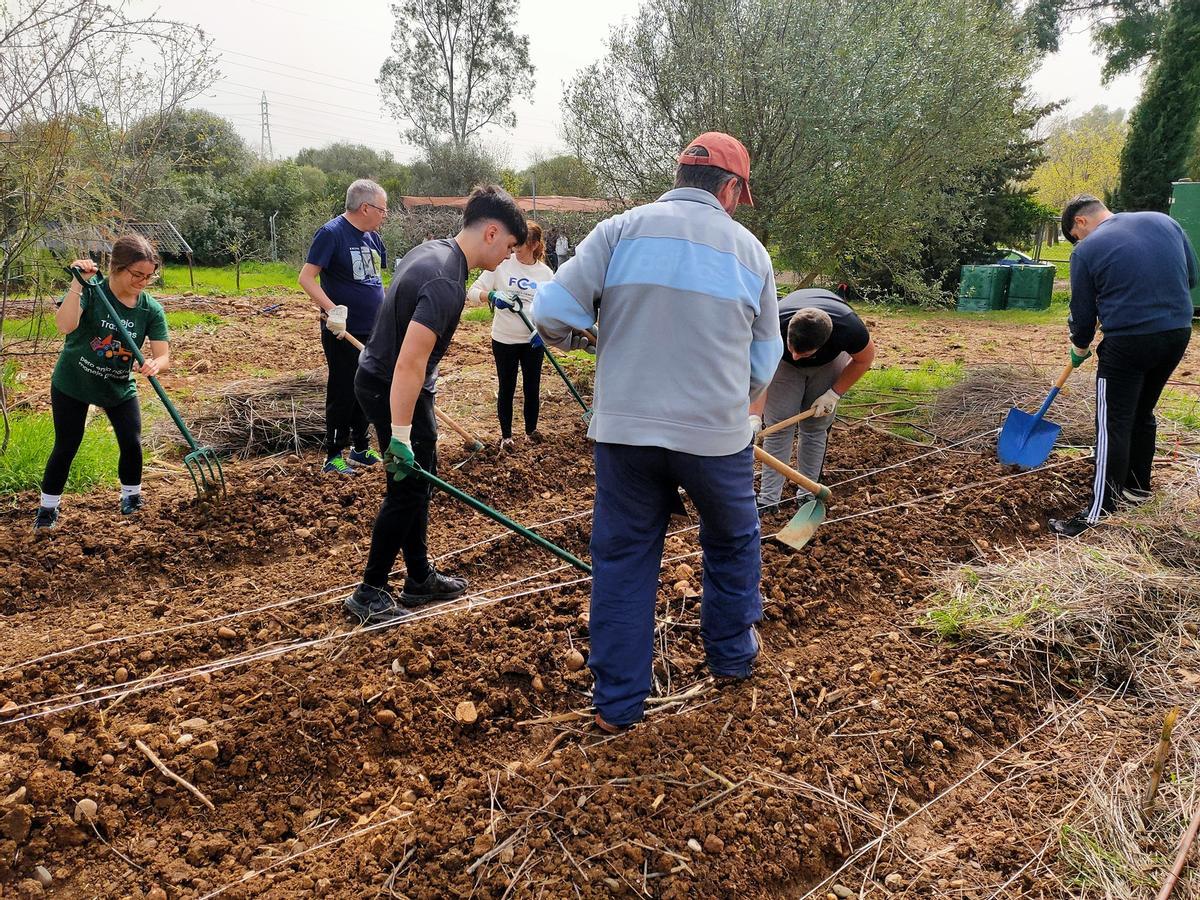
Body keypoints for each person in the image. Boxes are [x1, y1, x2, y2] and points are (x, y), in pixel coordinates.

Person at [533, 131, 782, 732]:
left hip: (625, 434)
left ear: (678, 176)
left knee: (623, 560)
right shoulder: (751, 255)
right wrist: (732, 400)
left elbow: (550, 313)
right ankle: (730, 658)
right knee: (732, 540)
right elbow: (762, 363)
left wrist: (582, 340)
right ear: (731, 189)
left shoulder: (619, 231)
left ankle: (618, 704)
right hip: (715, 438)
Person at [344, 185, 528, 624]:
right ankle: (369, 591)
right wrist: (401, 437)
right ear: (491, 232)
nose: (508, 255)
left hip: (391, 380)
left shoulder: (435, 253)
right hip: (392, 384)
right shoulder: (446, 279)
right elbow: (409, 363)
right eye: (509, 245)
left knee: (419, 483)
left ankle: (419, 577)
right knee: (406, 486)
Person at [1049, 194, 1197, 537]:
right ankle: (1136, 490)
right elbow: (1189, 279)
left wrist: (1079, 345)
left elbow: (1084, 317)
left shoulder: (1085, 250)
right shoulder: (1164, 221)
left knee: (1112, 423)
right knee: (1142, 413)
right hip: (1177, 333)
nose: (1078, 241)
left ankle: (1097, 512)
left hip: (1129, 343)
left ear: (1080, 222)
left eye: (1075, 235)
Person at [34, 235, 170, 530]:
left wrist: (153, 364)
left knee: (132, 442)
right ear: (116, 268)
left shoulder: (150, 310)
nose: (143, 282)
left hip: (117, 386)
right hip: (73, 381)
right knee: (67, 443)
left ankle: (131, 499)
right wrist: (77, 283)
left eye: (149, 276)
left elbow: (164, 356)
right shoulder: (92, 292)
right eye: (137, 274)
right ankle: (47, 509)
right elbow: (64, 326)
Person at [753, 288, 876, 507]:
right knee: (779, 427)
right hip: (781, 365)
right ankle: (768, 500)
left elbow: (864, 359)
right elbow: (760, 375)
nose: (796, 356)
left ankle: (808, 494)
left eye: (804, 353)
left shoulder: (848, 328)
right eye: (792, 349)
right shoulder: (771, 322)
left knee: (815, 427)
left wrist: (834, 393)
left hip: (827, 365)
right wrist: (754, 416)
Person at [299, 179, 388, 477]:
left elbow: (375, 282)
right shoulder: (331, 234)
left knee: (365, 387)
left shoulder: (372, 237)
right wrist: (331, 309)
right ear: (365, 207)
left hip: (372, 327)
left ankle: (360, 448)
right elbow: (306, 278)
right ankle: (333, 455)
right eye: (382, 210)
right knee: (343, 387)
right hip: (342, 328)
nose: (384, 215)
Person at [466, 220, 555, 450]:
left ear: (534, 245)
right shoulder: (502, 265)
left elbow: (552, 307)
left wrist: (544, 331)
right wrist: (493, 296)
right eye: (514, 242)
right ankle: (506, 437)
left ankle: (531, 433)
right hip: (504, 339)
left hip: (532, 340)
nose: (515, 247)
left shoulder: (545, 274)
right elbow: (472, 292)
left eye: (522, 243)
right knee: (507, 387)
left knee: (532, 387)